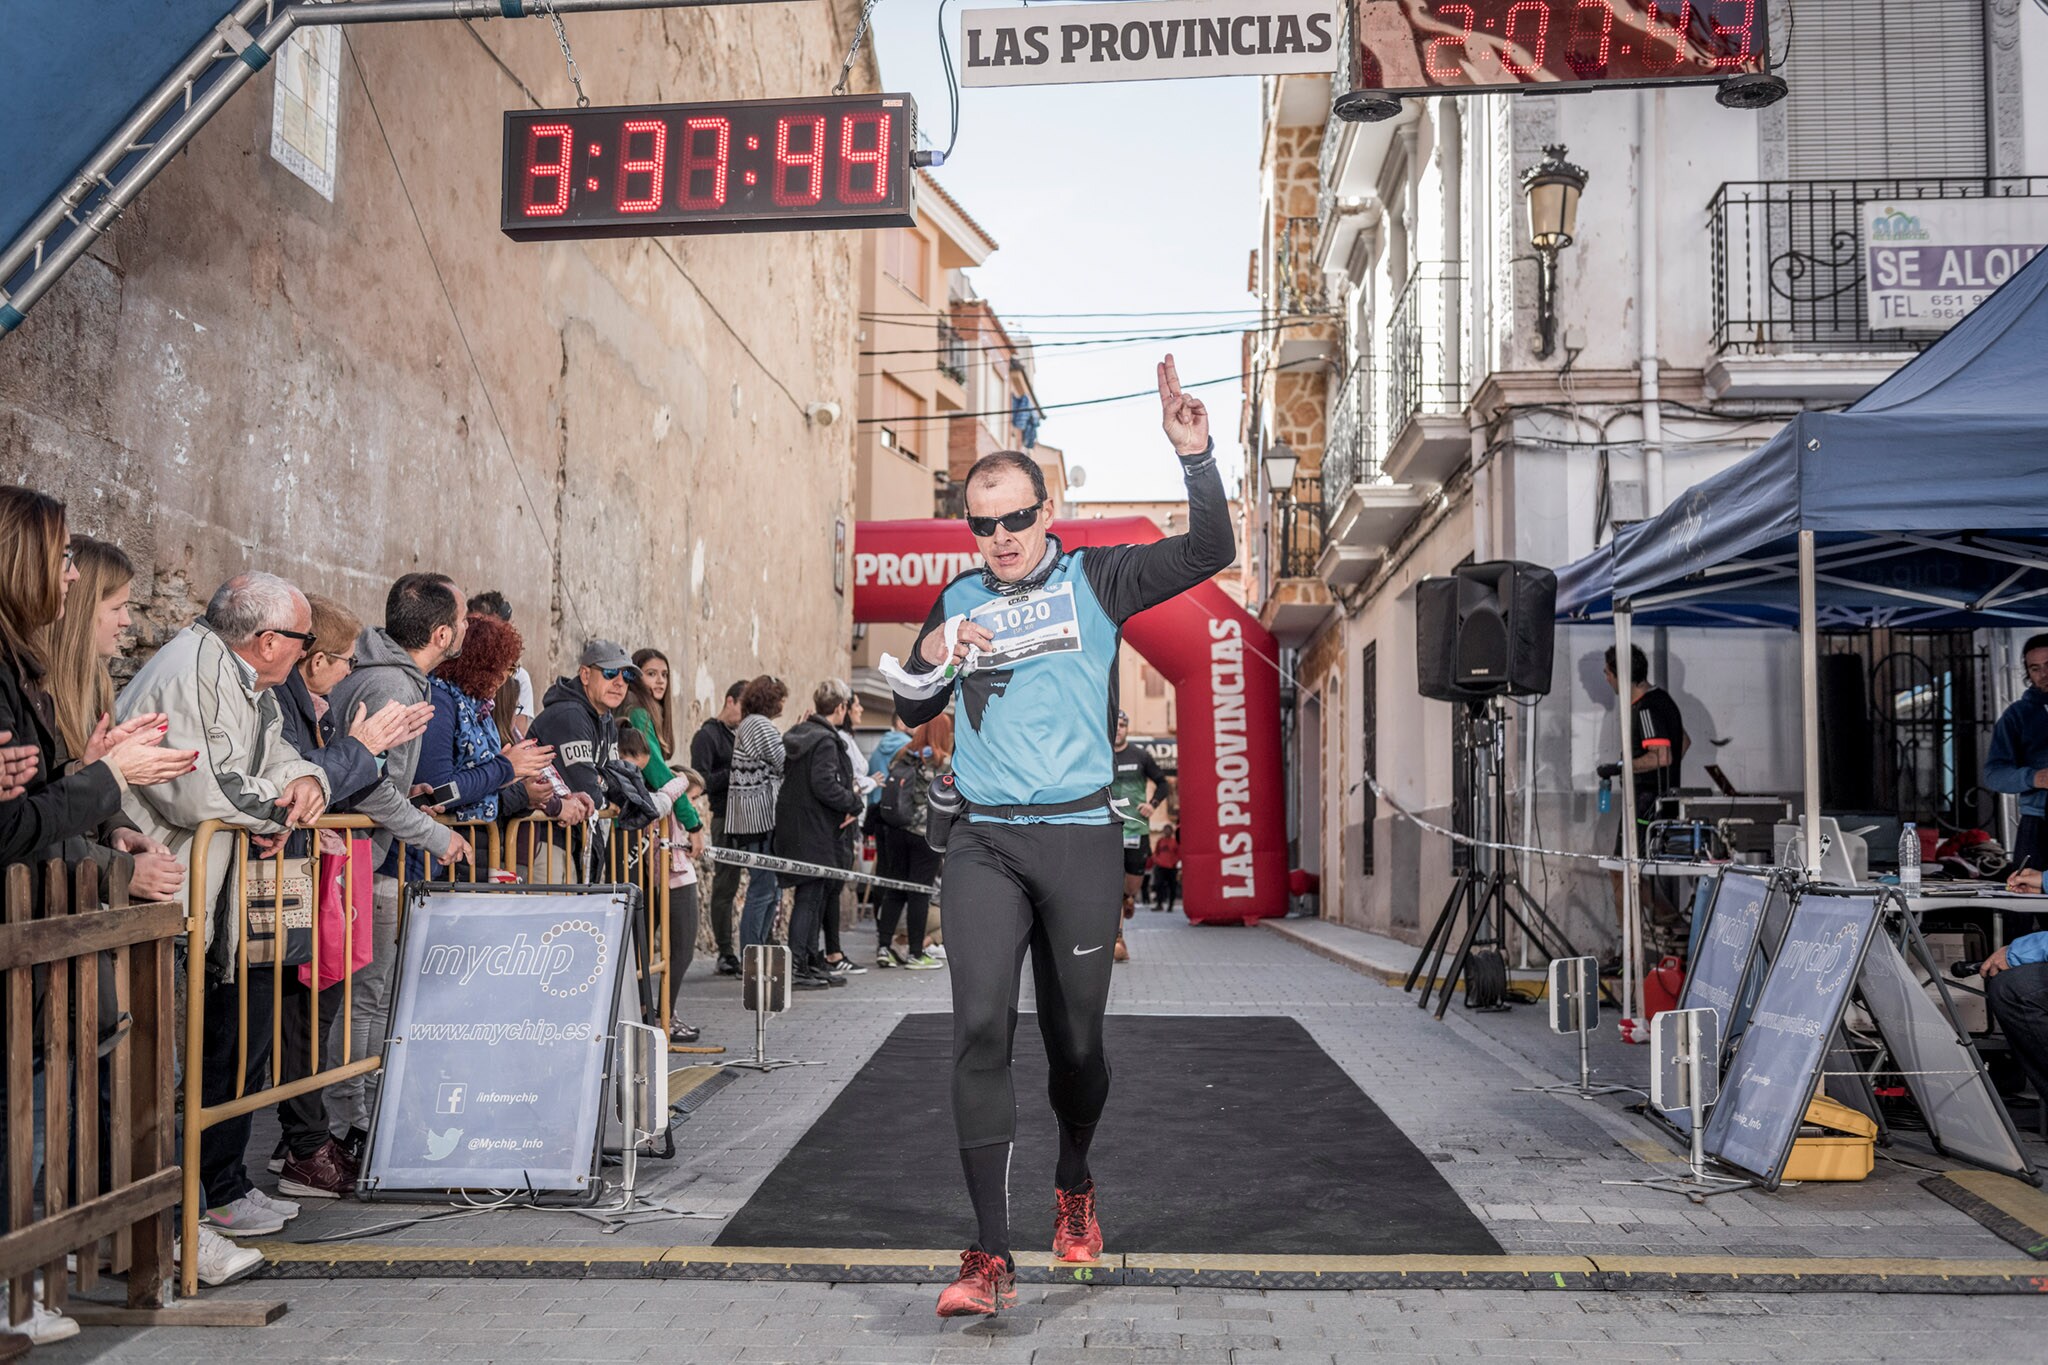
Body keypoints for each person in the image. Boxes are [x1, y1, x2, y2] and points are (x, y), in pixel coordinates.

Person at [891, 356, 1232, 1315]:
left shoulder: (1101, 576)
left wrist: (1195, 456)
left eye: (1015, 518)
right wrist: (928, 657)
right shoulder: (956, 600)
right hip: (986, 843)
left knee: (1076, 1045)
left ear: (1048, 513)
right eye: (982, 523)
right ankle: (986, 1256)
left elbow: (1210, 550)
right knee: (980, 1029)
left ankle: (1073, 1182)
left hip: (1082, 838)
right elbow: (906, 696)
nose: (999, 538)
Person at [0, 493, 215, 1321]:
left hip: (60, 902)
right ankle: (26, 1279)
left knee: (64, 1085)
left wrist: (106, 808)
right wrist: (104, 786)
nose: (126, 624)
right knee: (37, 1101)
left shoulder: (30, 668)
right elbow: (23, 821)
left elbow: (46, 797)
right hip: (34, 910)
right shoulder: (24, 668)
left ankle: (44, 1270)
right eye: (58, 559)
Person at [116, 571, 333, 1251]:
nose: (306, 652)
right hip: (162, 892)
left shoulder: (250, 680)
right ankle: (165, 1231)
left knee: (204, 1061)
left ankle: (202, 1203)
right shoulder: (195, 669)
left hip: (203, 896)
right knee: (159, 1072)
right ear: (269, 640)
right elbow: (204, 789)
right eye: (303, 640)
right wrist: (278, 801)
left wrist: (305, 781)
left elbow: (283, 756)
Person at [271, 592, 431, 1199]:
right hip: (301, 878)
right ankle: (315, 1139)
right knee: (310, 1014)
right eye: (342, 662)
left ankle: (311, 1139)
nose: (349, 676)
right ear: (312, 661)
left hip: (321, 874)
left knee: (317, 1010)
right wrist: (361, 754)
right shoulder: (313, 699)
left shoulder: (308, 700)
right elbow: (312, 781)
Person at [320, 573, 473, 1162]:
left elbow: (381, 783)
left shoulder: (390, 678)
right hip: (362, 864)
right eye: (460, 621)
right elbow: (366, 788)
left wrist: (414, 799)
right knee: (363, 997)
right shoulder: (393, 686)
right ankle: (346, 1125)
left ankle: (356, 1114)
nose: (464, 630)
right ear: (440, 633)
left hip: (370, 858)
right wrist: (434, 834)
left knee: (370, 994)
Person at [39, 535, 189, 902]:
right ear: (80, 608)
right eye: (118, 607)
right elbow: (31, 820)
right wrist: (119, 872)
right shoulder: (31, 690)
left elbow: (76, 788)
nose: (126, 622)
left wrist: (118, 829)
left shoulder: (93, 684)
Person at [420, 611, 556, 839]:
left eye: (510, 669)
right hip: (433, 852)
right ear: (478, 665)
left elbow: (480, 780)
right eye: (500, 668)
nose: (505, 678)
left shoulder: (478, 710)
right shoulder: (441, 703)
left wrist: (509, 776)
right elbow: (439, 792)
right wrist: (505, 767)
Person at [1597, 644, 1690, 966]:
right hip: (1652, 800)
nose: (1605, 678)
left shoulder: (1647, 707)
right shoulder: (1659, 702)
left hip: (1647, 805)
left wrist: (1623, 767)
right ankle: (1670, 927)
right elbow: (1684, 742)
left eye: (1608, 673)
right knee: (1628, 872)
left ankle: (1631, 952)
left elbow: (1663, 755)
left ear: (1621, 676)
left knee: (1622, 871)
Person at [773, 679, 863, 989]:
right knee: (810, 898)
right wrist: (854, 801)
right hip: (813, 829)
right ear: (840, 708)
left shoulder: (804, 734)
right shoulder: (824, 740)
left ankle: (810, 962)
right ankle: (799, 966)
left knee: (814, 896)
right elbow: (825, 784)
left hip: (801, 827)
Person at [873, 716, 949, 970]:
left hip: (896, 830)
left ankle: (884, 948)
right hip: (924, 834)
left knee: (895, 888)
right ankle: (916, 953)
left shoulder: (904, 754)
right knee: (920, 893)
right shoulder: (942, 762)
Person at [726, 675, 788, 953]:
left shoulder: (749, 724)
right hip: (759, 816)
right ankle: (752, 953)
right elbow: (784, 760)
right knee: (763, 888)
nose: (783, 703)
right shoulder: (760, 725)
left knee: (769, 888)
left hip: (755, 815)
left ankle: (758, 950)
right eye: (780, 697)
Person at [691, 679, 749, 975]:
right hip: (725, 817)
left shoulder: (743, 734)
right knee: (725, 886)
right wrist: (736, 772)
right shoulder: (708, 736)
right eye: (744, 706)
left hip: (750, 819)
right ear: (730, 701)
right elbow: (698, 781)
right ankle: (725, 952)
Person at [622, 647, 705, 843]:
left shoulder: (648, 713)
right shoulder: (637, 713)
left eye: (664, 675)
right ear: (636, 677)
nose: (660, 681)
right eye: (651, 674)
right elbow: (658, 773)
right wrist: (693, 824)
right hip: (630, 820)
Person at [1985, 634, 2048, 873]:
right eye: (2035, 668)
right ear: (2028, 674)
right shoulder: (2017, 716)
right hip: (2038, 824)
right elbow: (1994, 774)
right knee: (2026, 899)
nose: (2044, 674)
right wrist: (2034, 778)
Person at [1109, 710, 1168, 962]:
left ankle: (1129, 897)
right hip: (1109, 827)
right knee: (1113, 885)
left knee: (1131, 885)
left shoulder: (1141, 756)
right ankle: (1117, 937)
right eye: (1115, 725)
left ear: (1127, 728)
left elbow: (1163, 783)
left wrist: (1153, 804)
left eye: (1123, 725)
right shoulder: (1101, 755)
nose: (1119, 729)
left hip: (1136, 829)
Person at [466, 591, 535, 739]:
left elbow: (516, 733)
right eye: (472, 626)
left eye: (490, 630)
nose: (479, 635)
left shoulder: (517, 676)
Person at [1151, 823, 1182, 912]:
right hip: (1160, 867)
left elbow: (1178, 854)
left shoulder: (1175, 842)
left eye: (1168, 830)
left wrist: (1175, 863)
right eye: (1165, 830)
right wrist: (1156, 860)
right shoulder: (1160, 841)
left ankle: (1170, 905)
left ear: (1171, 831)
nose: (1167, 831)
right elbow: (1156, 852)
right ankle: (1159, 904)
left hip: (1171, 867)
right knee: (1159, 885)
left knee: (1172, 886)